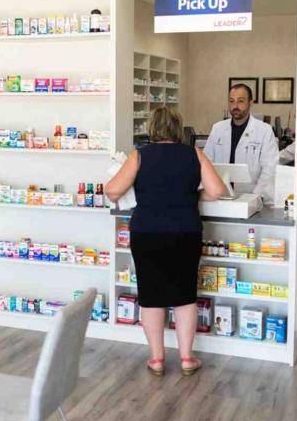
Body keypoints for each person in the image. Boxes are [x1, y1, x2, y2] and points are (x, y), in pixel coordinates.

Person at [106, 107, 225, 376]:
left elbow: (112, 191)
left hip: (147, 233)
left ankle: (157, 360)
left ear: (152, 128)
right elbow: (217, 190)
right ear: (178, 128)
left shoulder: (139, 155)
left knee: (151, 296)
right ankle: (186, 359)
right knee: (185, 295)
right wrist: (194, 196)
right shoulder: (194, 154)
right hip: (185, 232)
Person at [204, 84, 279, 203]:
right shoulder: (217, 129)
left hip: (252, 198)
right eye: (231, 101)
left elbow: (270, 169)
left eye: (240, 101)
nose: (235, 106)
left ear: (251, 103)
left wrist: (254, 199)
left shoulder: (264, 130)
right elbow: (206, 164)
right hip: (220, 197)